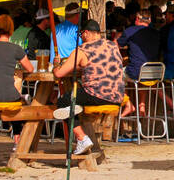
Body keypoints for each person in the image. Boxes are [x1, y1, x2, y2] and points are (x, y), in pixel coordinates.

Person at [51, 19, 125, 156]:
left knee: (63, 102)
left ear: (85, 33)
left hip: (97, 94)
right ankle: (77, 118)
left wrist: (56, 64)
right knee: (73, 102)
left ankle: (82, 138)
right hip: (117, 95)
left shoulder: (82, 50)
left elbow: (59, 73)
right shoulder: (112, 45)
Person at [0, 14, 35, 135]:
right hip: (8, 95)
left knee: (13, 98)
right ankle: (17, 137)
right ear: (11, 29)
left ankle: (14, 133)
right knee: (21, 101)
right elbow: (30, 69)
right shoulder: (16, 48)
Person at [118, 10, 163, 80]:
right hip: (155, 72)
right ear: (150, 20)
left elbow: (118, 45)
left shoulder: (130, 31)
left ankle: (127, 91)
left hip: (136, 72)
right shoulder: (157, 33)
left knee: (117, 73)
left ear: (137, 18)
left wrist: (116, 38)